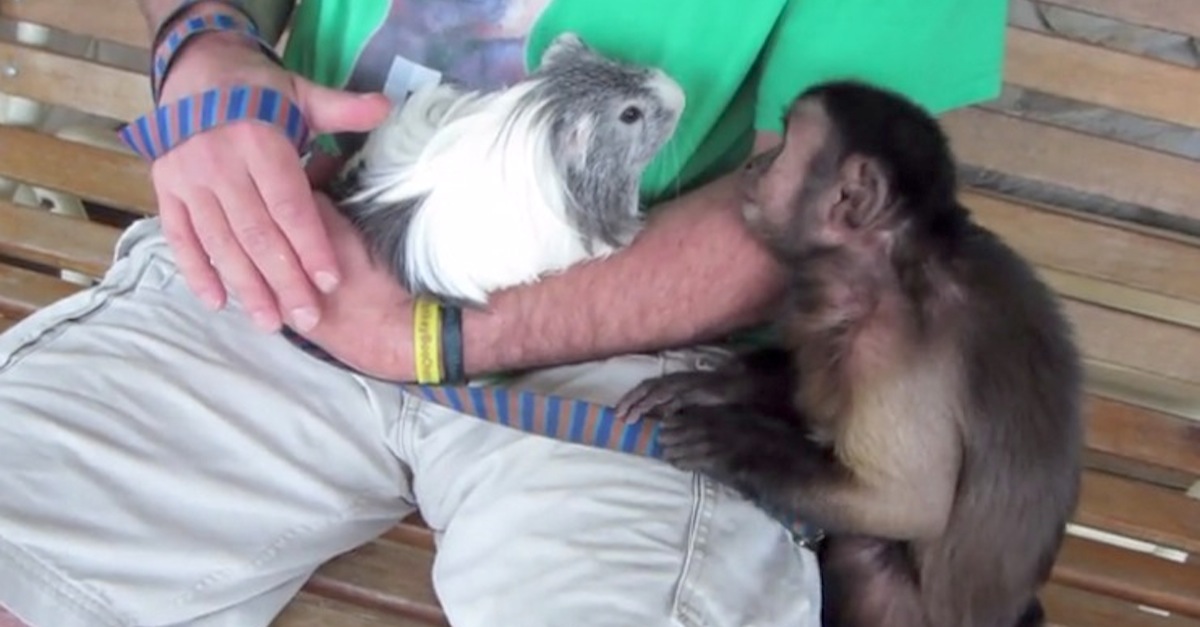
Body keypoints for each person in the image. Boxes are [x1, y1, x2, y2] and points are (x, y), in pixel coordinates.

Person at [0, 0, 1007, 625]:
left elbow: (828, 206)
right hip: (289, 254)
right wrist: (205, 42)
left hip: (633, 357)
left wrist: (427, 337)